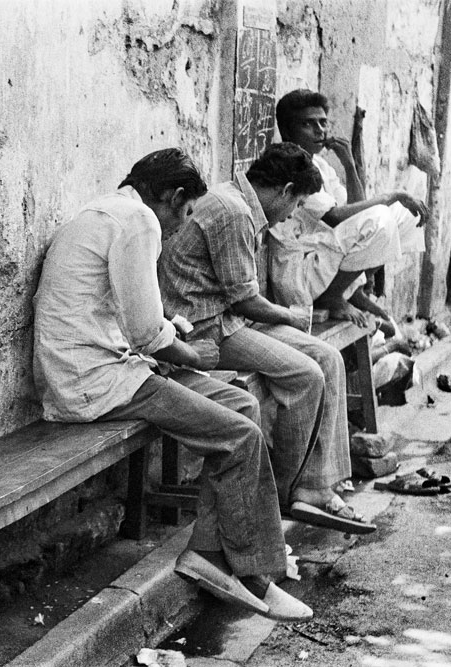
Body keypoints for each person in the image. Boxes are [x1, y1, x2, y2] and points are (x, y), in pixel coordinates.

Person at [32, 148, 311, 622]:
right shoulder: (138, 220)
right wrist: (189, 352)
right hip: (95, 382)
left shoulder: (111, 210)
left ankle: (210, 551)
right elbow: (144, 332)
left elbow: (129, 316)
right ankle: (255, 573)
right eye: (183, 212)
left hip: (100, 370)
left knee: (243, 406)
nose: (183, 224)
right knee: (240, 437)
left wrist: (170, 334)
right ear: (172, 196)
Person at [158, 142, 376, 536]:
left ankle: (316, 485)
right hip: (202, 327)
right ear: (286, 190)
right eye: (296, 204)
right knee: (305, 374)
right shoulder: (233, 210)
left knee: (329, 358)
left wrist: (286, 317)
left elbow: (240, 298)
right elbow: (244, 301)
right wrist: (290, 315)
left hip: (225, 319)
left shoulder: (237, 200)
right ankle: (286, 491)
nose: (293, 213)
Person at [270, 89, 428, 327]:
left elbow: (356, 209)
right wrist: (391, 196)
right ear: (287, 131)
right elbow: (336, 218)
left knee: (405, 216)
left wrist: (349, 164)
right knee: (380, 217)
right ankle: (333, 296)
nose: (319, 130)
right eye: (308, 124)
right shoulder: (290, 165)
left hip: (322, 258)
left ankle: (351, 291)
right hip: (299, 273)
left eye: (323, 122)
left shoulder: (319, 164)